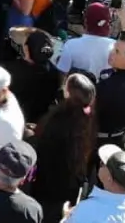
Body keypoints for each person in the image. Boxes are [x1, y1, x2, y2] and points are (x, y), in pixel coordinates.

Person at [25, 73, 96, 223]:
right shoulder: (87, 116)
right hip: (70, 183)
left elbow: (44, 145)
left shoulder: (58, 120)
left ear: (69, 93)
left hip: (49, 182)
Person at [63, 145, 125, 223]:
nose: (100, 163)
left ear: (109, 178)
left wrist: (68, 217)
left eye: (103, 164)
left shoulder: (87, 210)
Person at [53, 3, 115, 80]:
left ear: (86, 21)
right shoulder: (115, 46)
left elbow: (62, 74)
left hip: (76, 90)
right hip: (105, 91)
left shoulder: (71, 45)